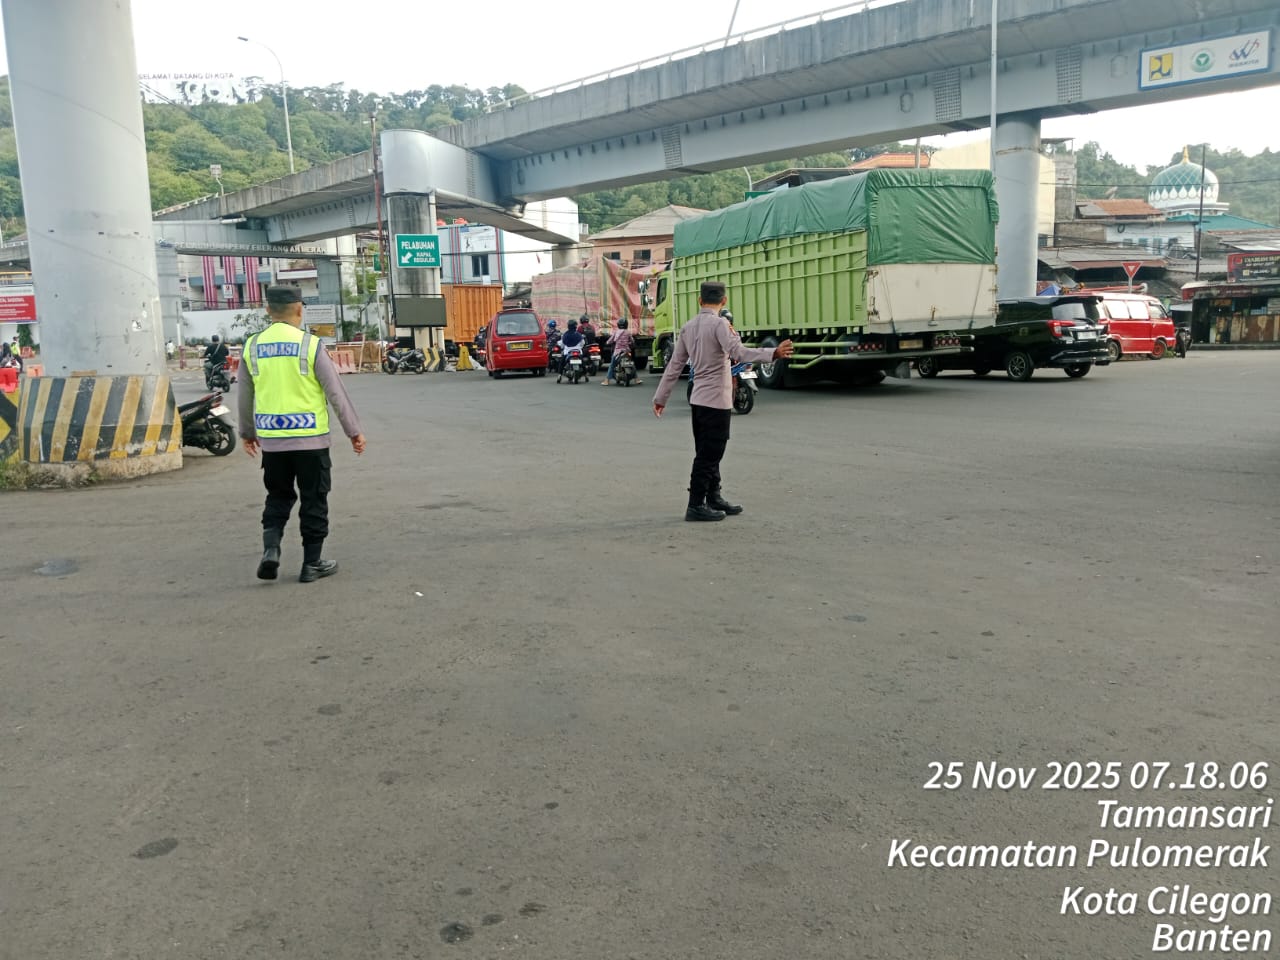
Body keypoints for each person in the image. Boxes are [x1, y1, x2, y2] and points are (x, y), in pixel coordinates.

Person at [238, 285, 366, 583]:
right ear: (299, 309)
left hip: (272, 443)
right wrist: (353, 431)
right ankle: (312, 563)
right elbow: (335, 392)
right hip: (311, 440)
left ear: (268, 311)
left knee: (277, 496)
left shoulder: (252, 346)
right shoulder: (310, 345)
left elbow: (244, 395)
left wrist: (247, 433)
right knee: (314, 498)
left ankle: (271, 549)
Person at [652, 281, 793, 521]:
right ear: (724, 300)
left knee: (707, 451)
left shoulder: (687, 327)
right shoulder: (721, 325)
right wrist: (773, 353)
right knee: (710, 454)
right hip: (716, 401)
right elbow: (739, 353)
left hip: (698, 401)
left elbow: (674, 365)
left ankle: (713, 497)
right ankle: (696, 505)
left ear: (700, 300)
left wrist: (661, 398)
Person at [601, 317, 641, 385]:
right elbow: (632, 341)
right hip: (626, 351)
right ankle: (637, 379)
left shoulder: (616, 332)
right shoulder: (628, 332)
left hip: (618, 352)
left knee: (612, 365)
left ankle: (607, 381)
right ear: (626, 325)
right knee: (631, 364)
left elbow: (610, 340)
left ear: (618, 325)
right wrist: (629, 343)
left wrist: (607, 343)